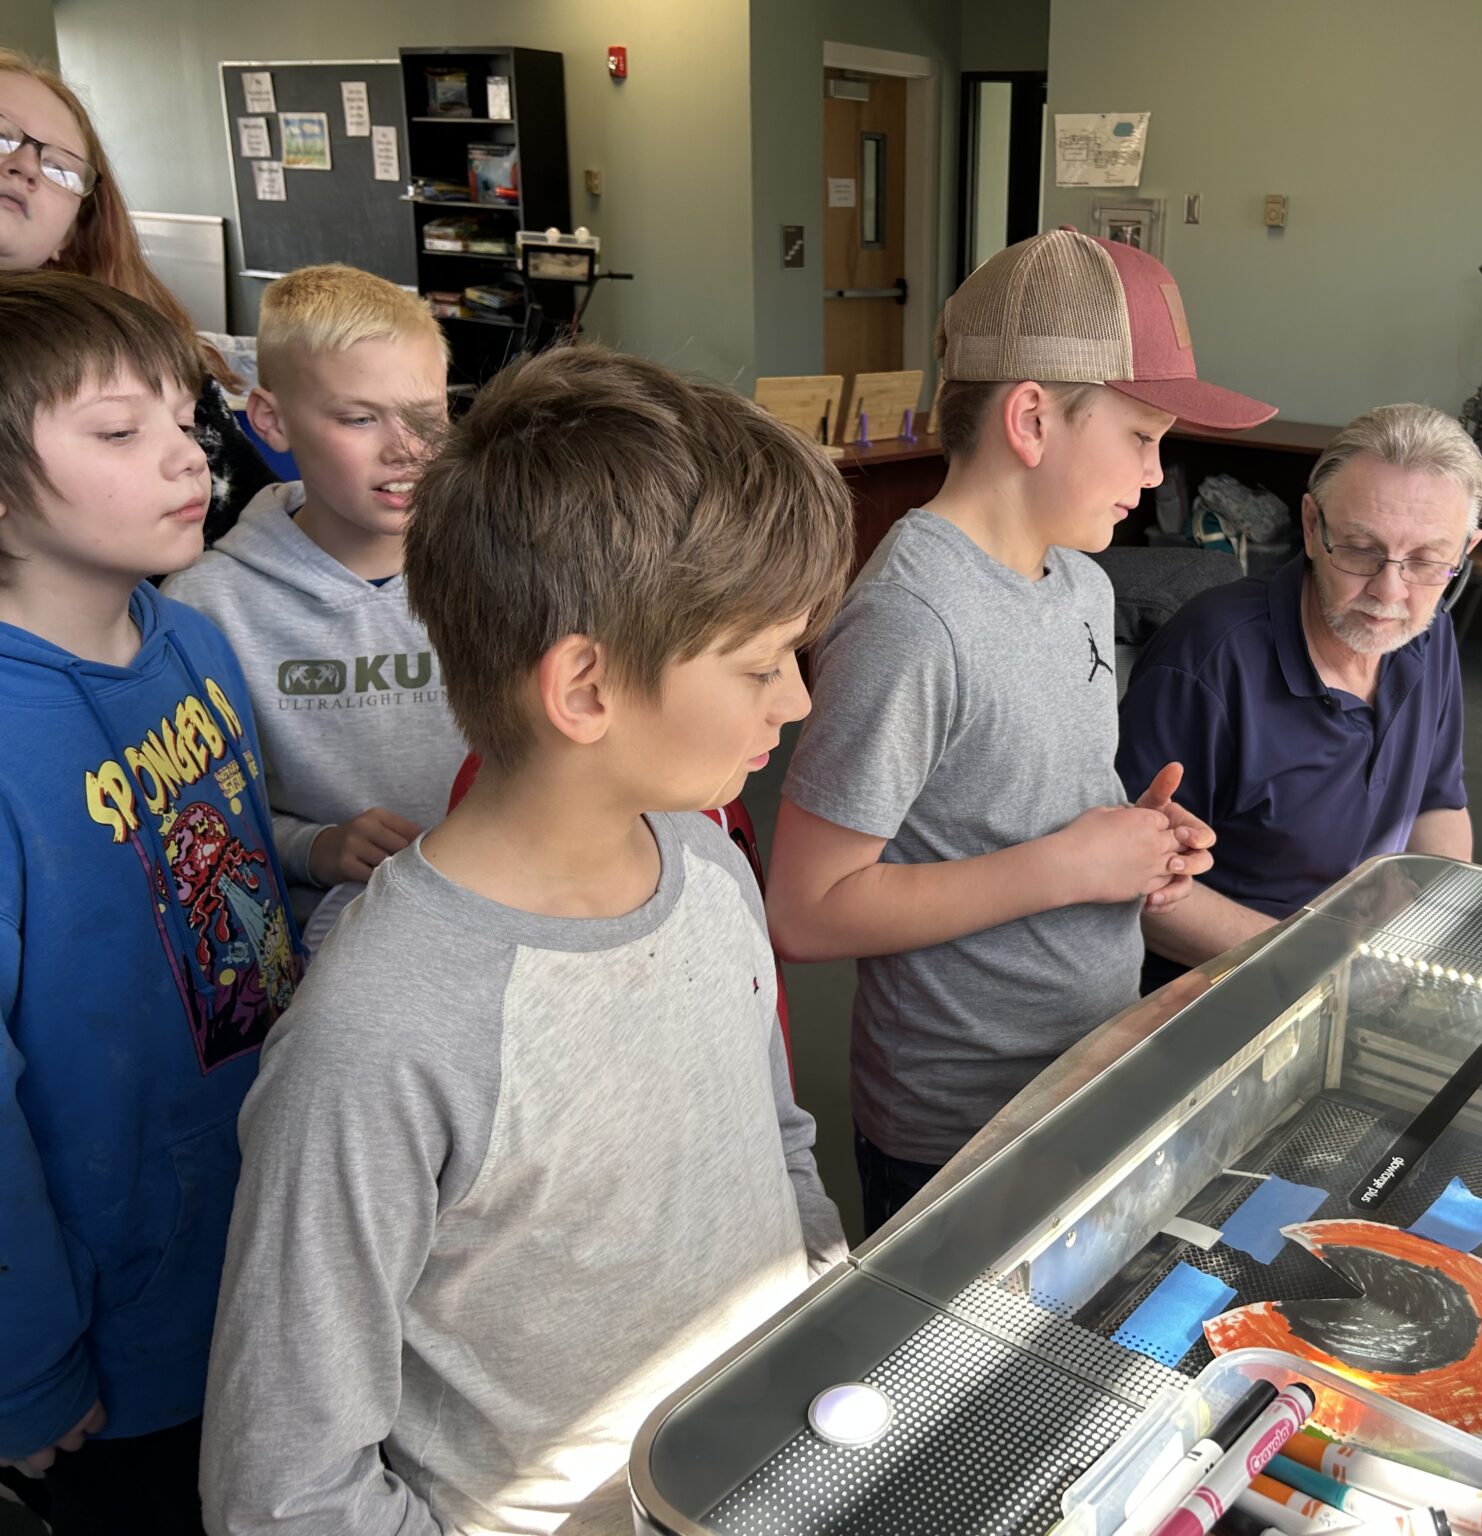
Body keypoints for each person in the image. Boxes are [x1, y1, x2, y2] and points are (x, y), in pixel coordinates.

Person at [199, 347, 852, 1535]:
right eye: (762, 664)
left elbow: (778, 1142)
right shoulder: (379, 1034)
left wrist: (822, 1314)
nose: (796, 701)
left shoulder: (709, 869)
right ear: (585, 689)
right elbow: (284, 1489)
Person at [766, 229, 1262, 1233]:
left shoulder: (1079, 581)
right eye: (1138, 435)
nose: (1160, 475)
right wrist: (1071, 866)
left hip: (1084, 1059)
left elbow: (1019, 800)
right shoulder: (910, 619)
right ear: (1031, 417)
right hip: (958, 1122)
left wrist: (1137, 843)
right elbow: (808, 911)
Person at [0, 271, 299, 1534]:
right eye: (121, 432)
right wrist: (29, 1366)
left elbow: (233, 878)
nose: (188, 457)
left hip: (267, 1212)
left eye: (184, 419)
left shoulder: (191, 638)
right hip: (119, 1316)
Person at [1117, 404, 1482, 989]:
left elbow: (1438, 803)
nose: (1390, 592)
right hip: (1219, 985)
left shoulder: (1428, 631)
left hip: (1362, 970)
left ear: (1465, 550)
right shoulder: (1210, 661)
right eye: (1362, 549)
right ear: (1312, 527)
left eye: (1426, 561)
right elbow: (1135, 892)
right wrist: (1327, 962)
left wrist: (1430, 928)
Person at [163, 264, 463, 926]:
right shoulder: (205, 608)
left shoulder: (505, 572)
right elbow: (195, 817)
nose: (407, 450)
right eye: (359, 418)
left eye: (427, 417)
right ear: (271, 420)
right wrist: (316, 848)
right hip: (323, 952)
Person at [0, 49, 276, 543]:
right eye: (0, 137)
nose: (24, 164)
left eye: (62, 169)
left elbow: (256, 528)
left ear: (70, 235)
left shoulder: (144, 361)